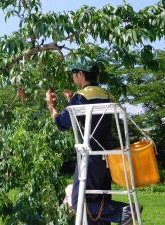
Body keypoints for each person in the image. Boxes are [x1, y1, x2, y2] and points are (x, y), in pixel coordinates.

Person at [45, 56, 142, 225]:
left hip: (90, 157)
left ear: (81, 74)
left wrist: (51, 107)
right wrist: (71, 102)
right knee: (100, 199)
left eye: (73, 73)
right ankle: (121, 212)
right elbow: (92, 118)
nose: (73, 77)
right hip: (107, 156)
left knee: (79, 202)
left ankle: (124, 211)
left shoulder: (81, 96)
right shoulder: (106, 94)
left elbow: (63, 123)